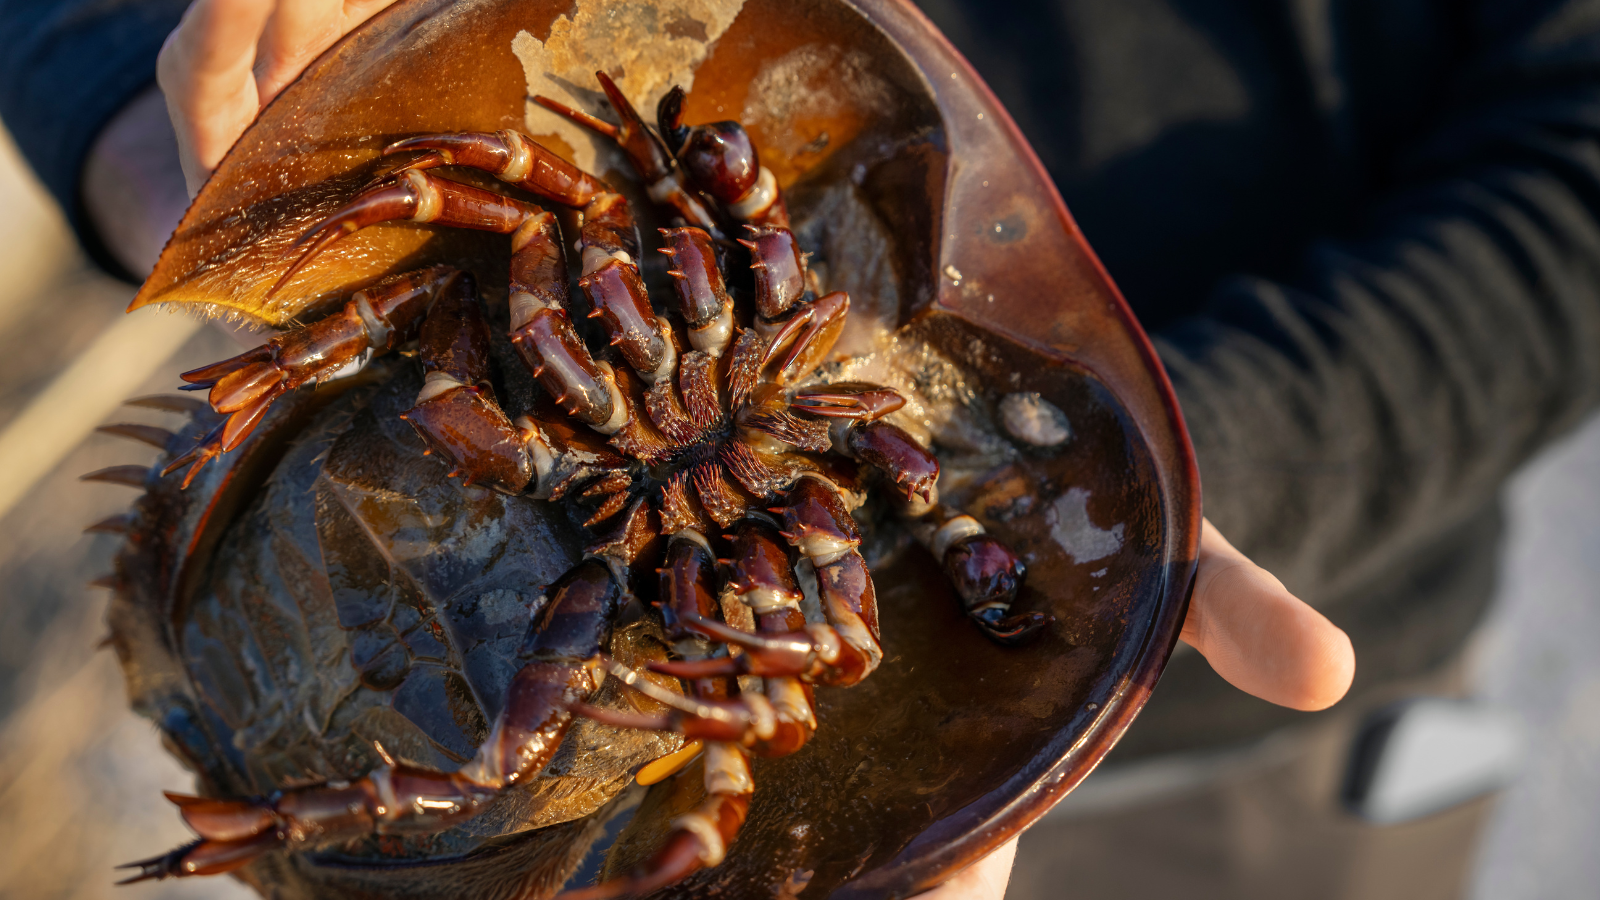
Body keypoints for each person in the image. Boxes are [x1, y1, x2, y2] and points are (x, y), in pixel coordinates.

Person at [46, 0, 1600, 896]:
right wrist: (176, 133)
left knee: (589, 746)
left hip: (1254, 759)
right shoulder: (659, 272)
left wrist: (1143, 483)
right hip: (504, 471)